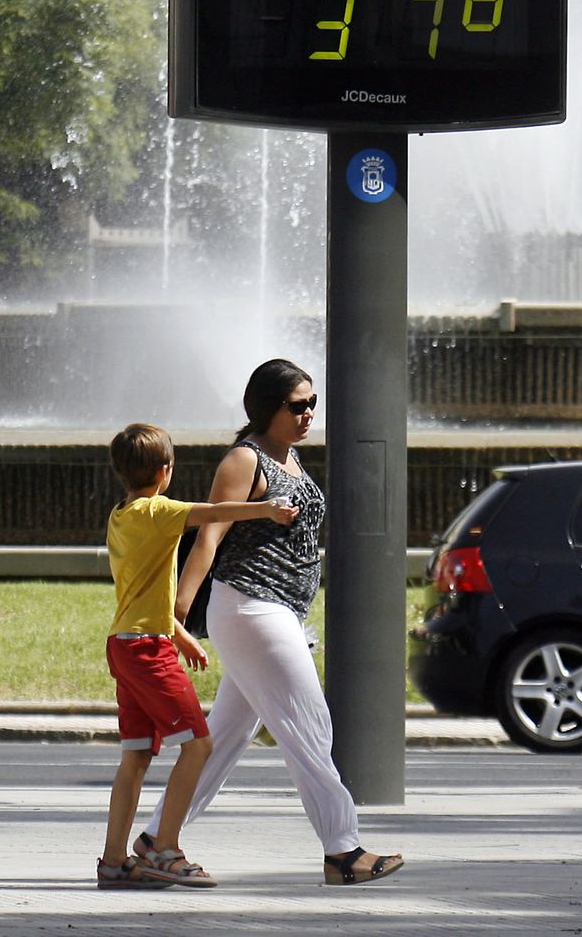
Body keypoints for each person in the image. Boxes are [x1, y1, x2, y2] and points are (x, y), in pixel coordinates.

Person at [134, 359, 404, 887]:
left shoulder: (293, 459)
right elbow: (209, 534)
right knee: (310, 725)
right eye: (296, 405)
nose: (308, 415)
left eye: (311, 404)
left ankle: (154, 840)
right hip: (250, 607)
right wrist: (179, 609)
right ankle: (342, 849)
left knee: (225, 738)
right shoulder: (244, 459)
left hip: (278, 612)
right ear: (267, 408)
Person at [98, 422, 297, 890]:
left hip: (126, 642)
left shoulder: (120, 515)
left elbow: (141, 591)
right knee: (199, 745)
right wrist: (266, 507)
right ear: (166, 472)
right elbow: (212, 512)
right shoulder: (159, 511)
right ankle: (165, 849)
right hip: (147, 649)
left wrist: (181, 636)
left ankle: (113, 860)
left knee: (136, 755)